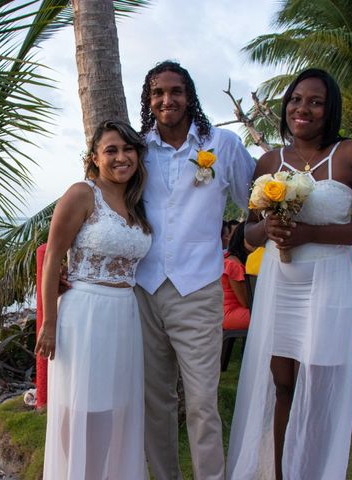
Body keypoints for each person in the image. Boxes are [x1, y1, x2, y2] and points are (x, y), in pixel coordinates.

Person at [227, 68, 352, 480]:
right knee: (282, 385)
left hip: (329, 281)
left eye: (315, 101)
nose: (303, 108)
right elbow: (245, 235)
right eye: (296, 99)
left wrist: (311, 234)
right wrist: (269, 229)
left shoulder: (351, 154)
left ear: (329, 108)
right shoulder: (268, 161)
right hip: (281, 284)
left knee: (316, 389)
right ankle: (282, 473)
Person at [134, 60, 255, 480]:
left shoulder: (221, 144)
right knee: (156, 400)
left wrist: (245, 247)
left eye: (176, 91)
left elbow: (253, 200)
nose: (167, 100)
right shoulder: (137, 147)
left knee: (203, 402)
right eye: (158, 93)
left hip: (199, 289)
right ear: (149, 100)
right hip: (144, 289)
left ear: (190, 96)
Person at [35, 120, 152, 479]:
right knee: (84, 408)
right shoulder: (82, 194)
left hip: (124, 314)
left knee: (114, 408)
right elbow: (53, 257)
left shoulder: (137, 201)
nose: (121, 157)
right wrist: (49, 324)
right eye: (111, 150)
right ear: (94, 158)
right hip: (85, 314)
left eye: (127, 149)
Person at [222, 222, 252, 331]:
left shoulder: (229, 257)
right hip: (230, 313)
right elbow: (245, 301)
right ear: (241, 239)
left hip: (224, 312)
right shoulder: (234, 264)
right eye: (252, 238)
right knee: (268, 318)